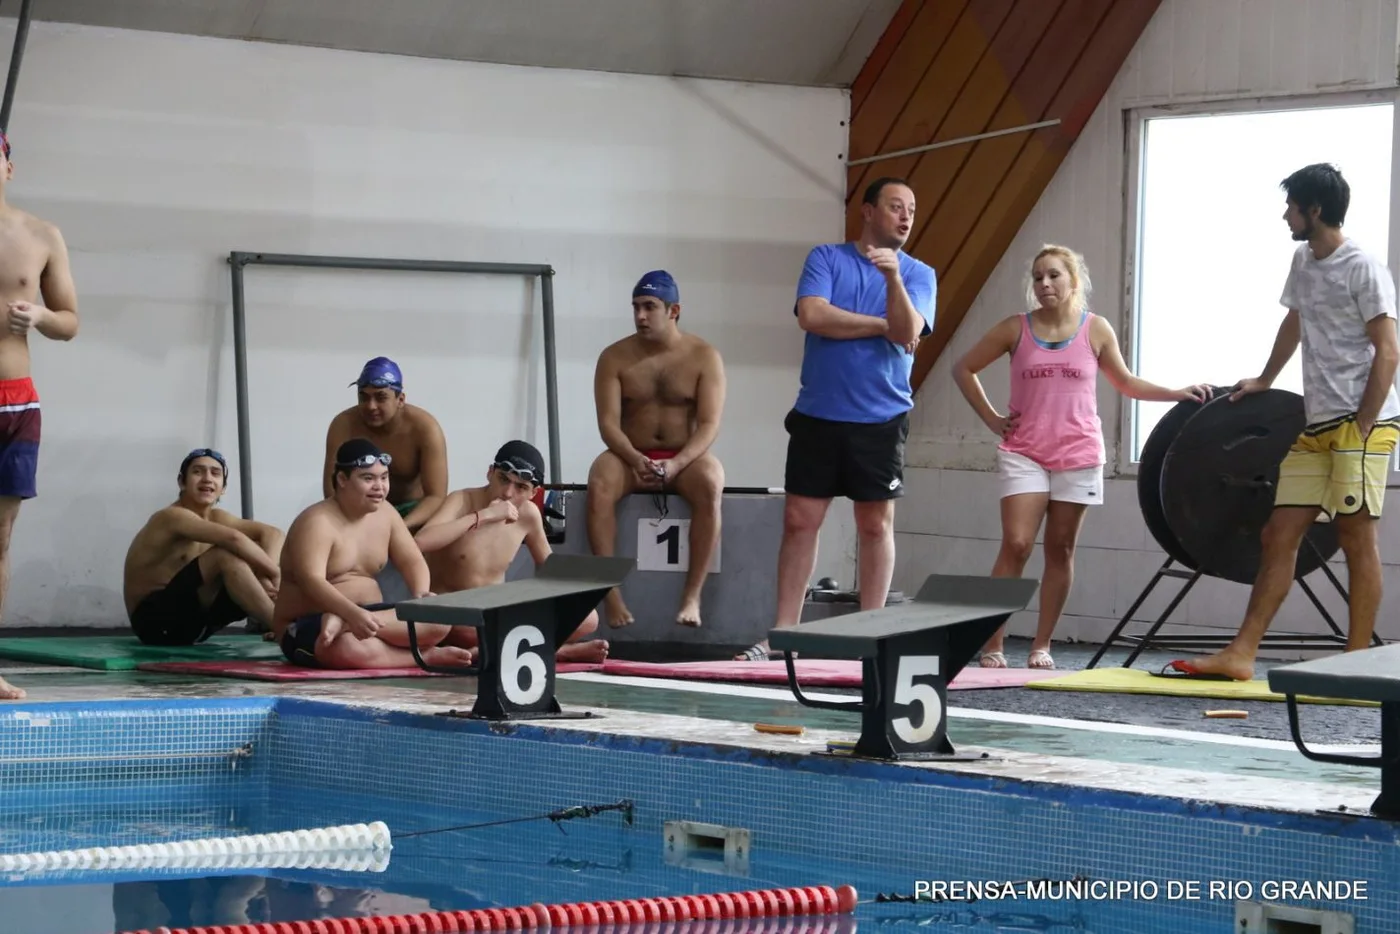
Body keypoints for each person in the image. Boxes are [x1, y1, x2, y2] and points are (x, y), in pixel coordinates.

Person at [1175, 163, 1400, 681]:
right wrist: (1263, 377)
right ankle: (1241, 654)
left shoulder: (1363, 266)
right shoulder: (1304, 259)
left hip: (1361, 423)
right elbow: (1294, 320)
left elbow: (1388, 352)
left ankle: (1358, 663)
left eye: (1291, 206)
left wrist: (1364, 424)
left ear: (1314, 210)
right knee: (1278, 532)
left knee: (1355, 536)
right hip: (1317, 422)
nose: (1285, 215)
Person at [952, 245, 1211, 669]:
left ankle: (1042, 644)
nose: (1044, 284)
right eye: (1038, 277)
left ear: (1073, 281)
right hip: (1025, 451)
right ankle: (992, 642)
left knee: (1061, 548)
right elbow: (963, 368)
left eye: (1053, 275)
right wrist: (992, 419)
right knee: (1016, 544)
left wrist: (1176, 392)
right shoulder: (1014, 328)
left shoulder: (1096, 329)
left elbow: (1126, 382)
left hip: (1078, 452)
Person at [736, 177, 933, 661]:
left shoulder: (918, 274)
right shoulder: (826, 257)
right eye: (894, 207)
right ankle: (786, 634)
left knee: (874, 524)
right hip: (819, 413)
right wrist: (882, 327)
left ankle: (870, 632)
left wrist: (891, 280)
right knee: (801, 520)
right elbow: (813, 315)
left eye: (911, 209)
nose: (905, 217)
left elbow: (911, 332)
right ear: (867, 211)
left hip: (881, 416)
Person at [586, 270, 727, 629]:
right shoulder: (613, 357)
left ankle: (692, 597)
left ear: (674, 310)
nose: (640, 316)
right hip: (629, 457)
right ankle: (612, 595)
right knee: (599, 479)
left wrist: (678, 463)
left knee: (712, 480)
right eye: (635, 307)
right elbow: (608, 425)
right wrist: (635, 458)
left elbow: (710, 424)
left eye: (649, 307)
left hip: (683, 457)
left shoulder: (704, 356)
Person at [274, 438, 474, 669]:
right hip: (309, 622)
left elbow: (411, 559)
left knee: (440, 618)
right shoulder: (317, 522)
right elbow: (311, 580)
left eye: (384, 477)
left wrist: (421, 594)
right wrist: (350, 613)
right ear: (342, 480)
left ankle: (345, 625)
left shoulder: (386, 513)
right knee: (348, 648)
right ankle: (425, 657)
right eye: (368, 478)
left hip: (370, 617)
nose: (379, 486)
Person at [0, 131, 80, 699]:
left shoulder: (42, 235)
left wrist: (41, 317)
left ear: (9, 167)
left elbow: (72, 321)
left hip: (16, 401)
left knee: (0, 541)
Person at [415, 440, 609, 663]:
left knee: (588, 617)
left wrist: (583, 584)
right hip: (455, 617)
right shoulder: (462, 500)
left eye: (521, 487)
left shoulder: (528, 514)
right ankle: (557, 651)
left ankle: (491, 651)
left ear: (533, 492)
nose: (508, 493)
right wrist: (484, 515)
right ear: (490, 473)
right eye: (503, 479)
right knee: (471, 628)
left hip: (496, 612)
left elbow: (549, 570)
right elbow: (421, 542)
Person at [122, 449, 284, 646]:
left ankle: (295, 623)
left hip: (196, 624)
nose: (207, 479)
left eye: (215, 473)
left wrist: (264, 578)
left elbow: (273, 534)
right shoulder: (170, 517)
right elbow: (233, 539)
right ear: (182, 482)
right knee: (227, 555)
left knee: (261, 554)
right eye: (198, 472)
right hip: (155, 623)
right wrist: (274, 574)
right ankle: (283, 628)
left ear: (223, 487)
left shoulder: (218, 517)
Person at [322, 357, 448, 532]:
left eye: (381, 398)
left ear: (400, 399)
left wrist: (398, 529)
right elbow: (332, 489)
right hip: (358, 512)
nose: (371, 406)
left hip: (411, 514)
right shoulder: (344, 424)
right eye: (364, 397)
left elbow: (436, 497)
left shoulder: (425, 429)